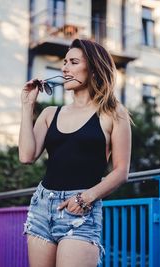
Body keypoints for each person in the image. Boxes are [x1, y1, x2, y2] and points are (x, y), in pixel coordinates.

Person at [18, 38, 132, 267]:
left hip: (81, 211)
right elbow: (26, 156)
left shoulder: (113, 113)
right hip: (42, 207)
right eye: (64, 62)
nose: (64, 68)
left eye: (73, 62)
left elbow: (121, 171)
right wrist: (27, 105)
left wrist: (85, 198)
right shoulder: (50, 113)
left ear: (92, 68)